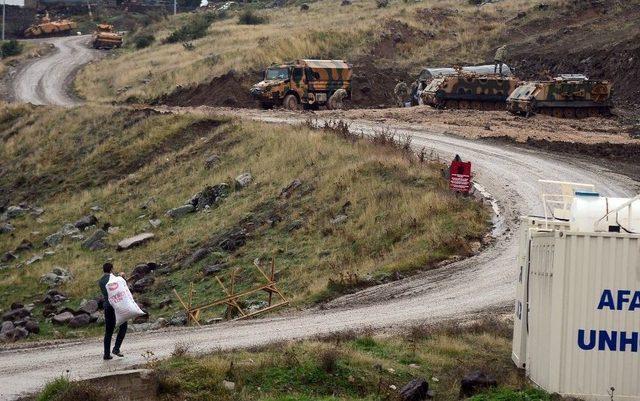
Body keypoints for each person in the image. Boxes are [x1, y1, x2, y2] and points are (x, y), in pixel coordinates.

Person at [99, 262, 127, 360]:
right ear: (111, 269)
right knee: (123, 326)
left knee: (108, 331)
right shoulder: (114, 278)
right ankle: (116, 348)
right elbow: (121, 287)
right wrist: (122, 277)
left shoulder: (101, 281)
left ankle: (106, 354)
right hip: (116, 305)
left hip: (107, 306)